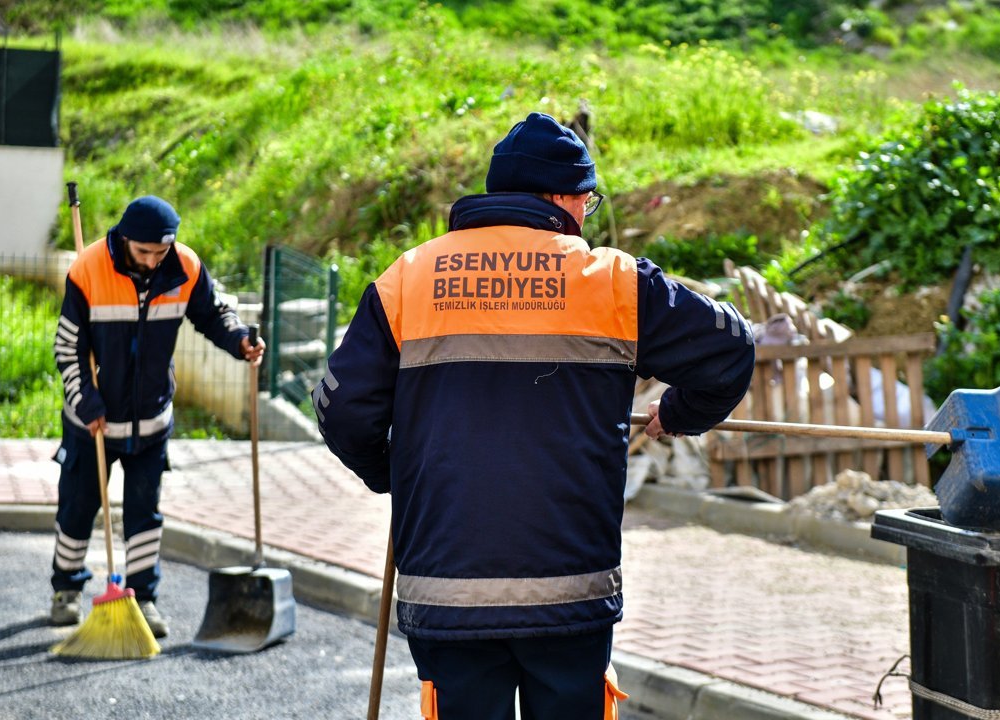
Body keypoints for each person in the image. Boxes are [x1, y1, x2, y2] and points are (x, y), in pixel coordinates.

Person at [312, 112, 755, 719]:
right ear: (561, 198)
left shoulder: (407, 279)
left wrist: (393, 472)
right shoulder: (613, 281)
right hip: (570, 593)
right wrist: (680, 412)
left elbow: (339, 408)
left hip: (447, 590)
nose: (586, 214)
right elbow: (731, 348)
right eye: (587, 201)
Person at [48, 195, 264, 637]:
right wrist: (86, 402)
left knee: (145, 514)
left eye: (160, 252)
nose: (152, 260)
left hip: (151, 421)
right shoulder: (88, 269)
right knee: (78, 507)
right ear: (126, 239)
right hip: (92, 422)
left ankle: (143, 598)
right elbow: (67, 348)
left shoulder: (184, 267)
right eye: (144, 251)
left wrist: (240, 340)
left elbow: (213, 314)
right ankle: (66, 589)